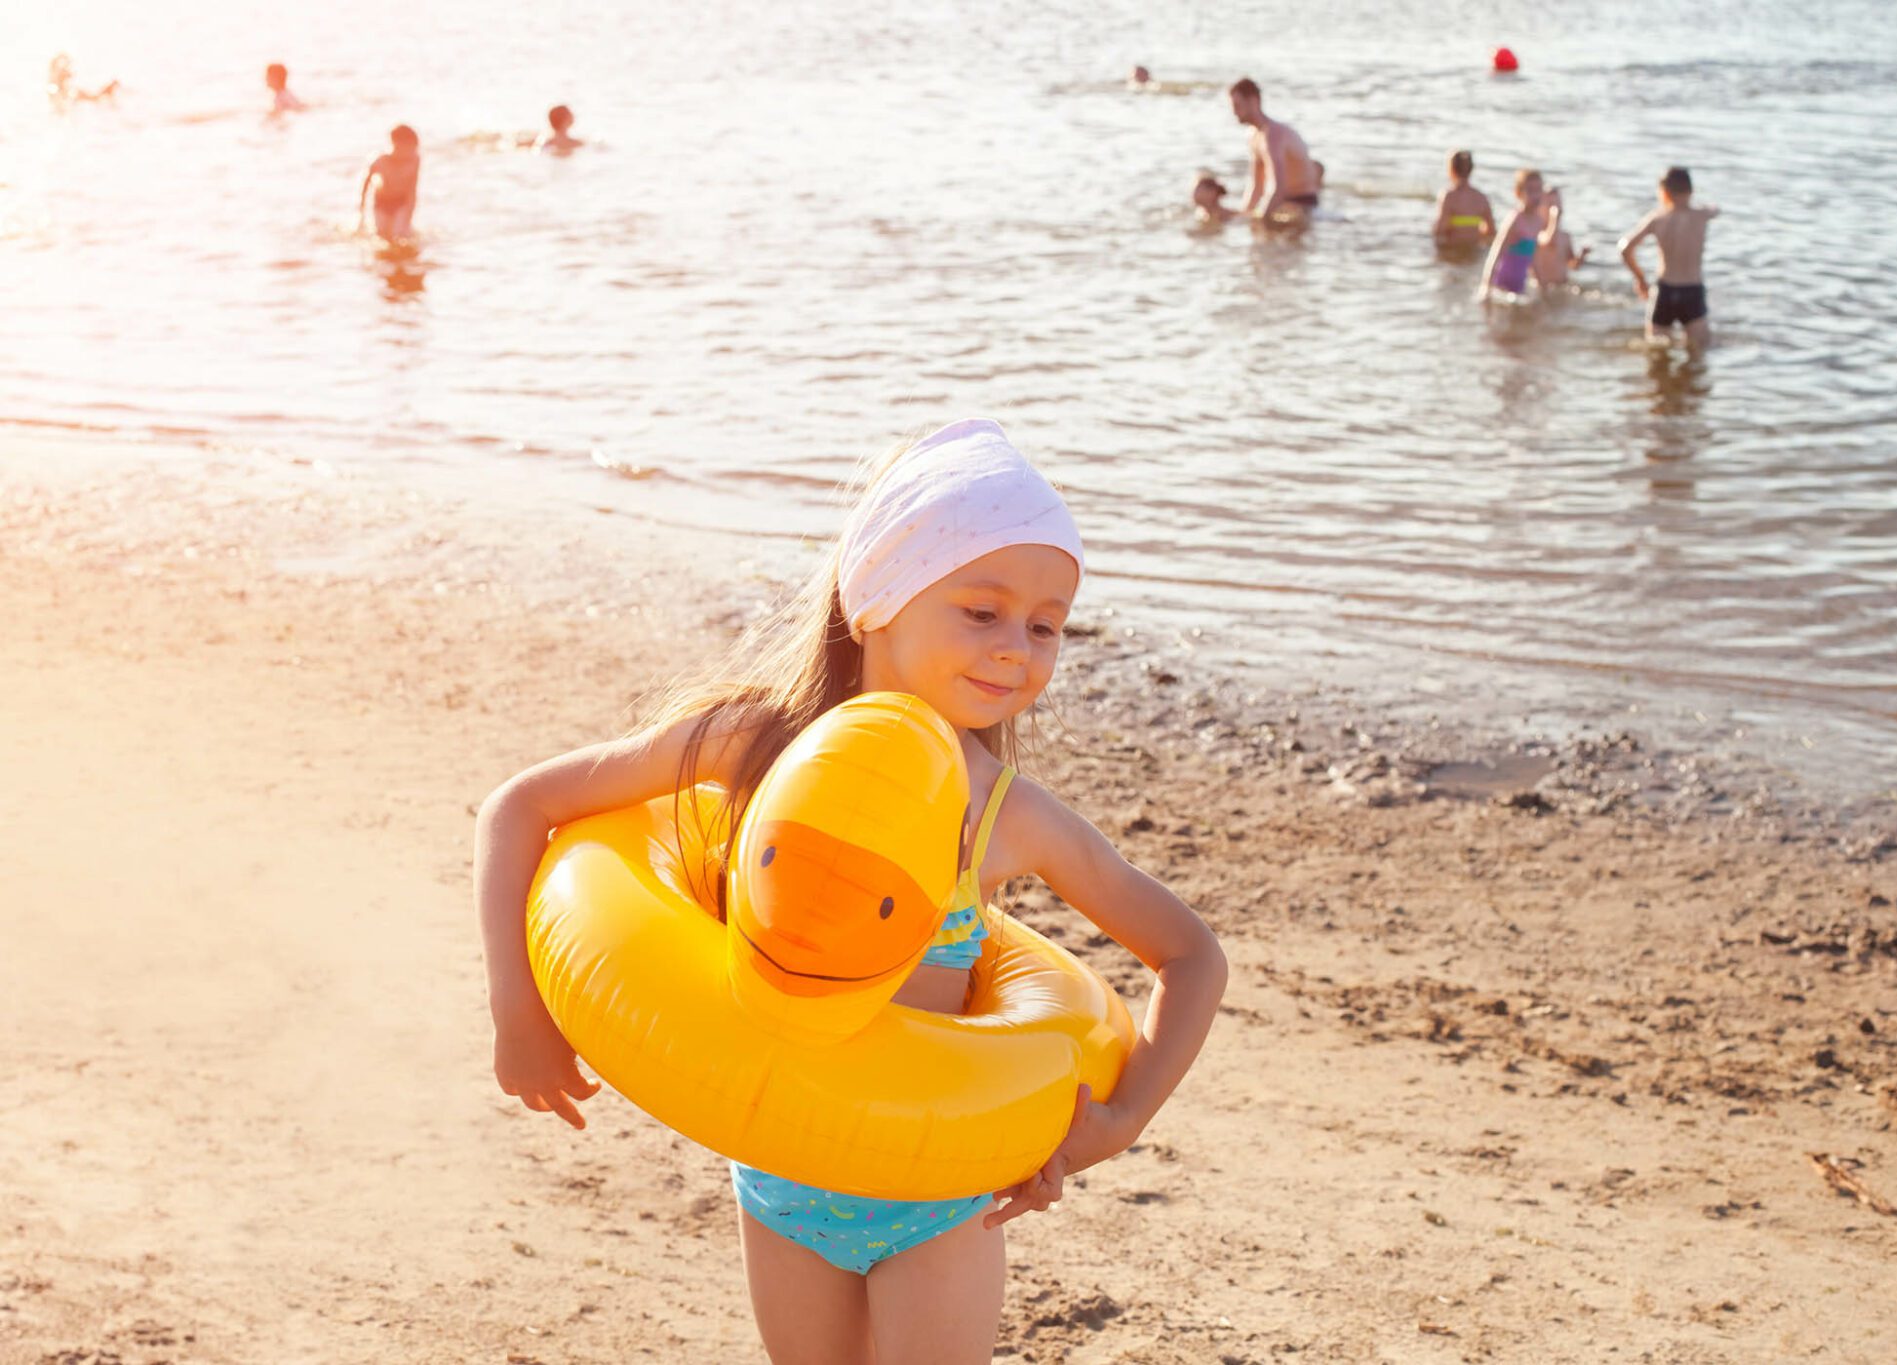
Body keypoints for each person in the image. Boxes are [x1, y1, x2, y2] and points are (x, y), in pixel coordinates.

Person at [476, 418, 1229, 1363]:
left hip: (934, 1202)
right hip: (784, 1182)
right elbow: (519, 807)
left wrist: (1113, 1127)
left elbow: (1191, 955)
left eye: (1045, 626)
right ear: (877, 596)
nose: (1016, 649)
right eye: (982, 609)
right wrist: (520, 1011)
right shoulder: (753, 744)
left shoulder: (1002, 814)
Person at [1621, 166, 1719, 349]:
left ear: (1664, 192)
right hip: (1693, 291)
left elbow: (1625, 249)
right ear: (1691, 191)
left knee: (1656, 354)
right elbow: (1716, 209)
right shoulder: (1701, 215)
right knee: (1699, 353)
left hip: (1664, 291)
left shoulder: (1657, 219)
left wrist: (1640, 279)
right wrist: (1709, 207)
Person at [1228, 77, 1318, 218]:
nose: (1234, 112)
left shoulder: (1273, 134)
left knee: (1262, 225)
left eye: (1237, 106)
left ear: (1253, 101)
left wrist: (1261, 218)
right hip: (1283, 204)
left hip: (1302, 204)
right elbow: (1256, 186)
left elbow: (1278, 188)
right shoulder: (1254, 135)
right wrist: (1242, 216)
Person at [1477, 167, 1545, 301]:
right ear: (1518, 193)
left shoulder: (1539, 221)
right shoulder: (1515, 219)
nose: (1535, 196)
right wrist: (1486, 285)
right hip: (1501, 281)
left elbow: (1533, 256)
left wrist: (1540, 283)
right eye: (1530, 191)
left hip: (1519, 283)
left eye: (1538, 190)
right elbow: (1496, 252)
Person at [357, 125, 422, 243]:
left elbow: (412, 189)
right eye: (410, 148)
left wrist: (409, 213)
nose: (413, 152)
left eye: (414, 148)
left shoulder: (414, 160)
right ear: (395, 144)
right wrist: (361, 210)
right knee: (381, 235)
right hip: (381, 203)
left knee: (401, 235)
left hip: (401, 202)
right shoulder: (379, 161)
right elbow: (365, 184)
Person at [1431, 150, 1494, 248]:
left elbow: (1440, 230)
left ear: (1451, 170)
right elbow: (1491, 232)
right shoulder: (1481, 198)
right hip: (1473, 251)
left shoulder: (1448, 196)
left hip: (1452, 251)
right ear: (1471, 169)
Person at [1532, 186, 1589, 289]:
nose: (1555, 209)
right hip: (1545, 286)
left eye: (1557, 205)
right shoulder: (1537, 234)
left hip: (1562, 285)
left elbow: (1572, 265)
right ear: (1540, 209)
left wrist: (1582, 255)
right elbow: (1549, 241)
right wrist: (1554, 219)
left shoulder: (1565, 237)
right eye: (1550, 205)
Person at [47, 54, 118, 108]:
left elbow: (70, 76)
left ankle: (108, 90)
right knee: (95, 98)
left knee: (94, 98)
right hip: (69, 96)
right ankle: (108, 90)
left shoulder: (60, 78)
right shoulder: (54, 83)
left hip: (71, 94)